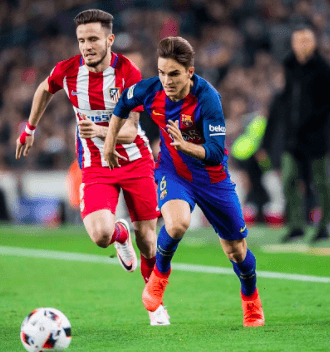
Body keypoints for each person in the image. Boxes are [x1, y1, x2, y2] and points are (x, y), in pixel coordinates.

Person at [15, 9, 168, 326]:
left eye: (94, 39)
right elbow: (44, 88)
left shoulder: (128, 73)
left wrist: (100, 131)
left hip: (134, 160)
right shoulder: (68, 71)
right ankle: (119, 233)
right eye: (82, 40)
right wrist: (30, 129)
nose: (87, 46)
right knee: (100, 235)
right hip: (95, 164)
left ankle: (155, 306)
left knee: (149, 241)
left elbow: (132, 128)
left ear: (109, 39)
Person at [104, 36, 265, 327]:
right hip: (173, 172)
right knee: (176, 224)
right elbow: (121, 106)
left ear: (190, 72)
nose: (166, 79)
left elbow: (216, 153)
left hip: (212, 180)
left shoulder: (208, 98)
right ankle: (158, 280)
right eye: (162, 72)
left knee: (237, 251)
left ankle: (251, 298)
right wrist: (109, 143)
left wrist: (186, 146)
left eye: (174, 73)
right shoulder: (150, 90)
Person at [261, 25, 330, 243]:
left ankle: (323, 226)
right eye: (298, 41)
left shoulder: (323, 69)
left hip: (316, 136)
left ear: (313, 44)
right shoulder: (289, 65)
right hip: (293, 137)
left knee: (320, 181)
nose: (301, 45)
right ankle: (296, 225)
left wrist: (316, 118)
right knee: (288, 179)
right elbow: (288, 98)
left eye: (306, 41)